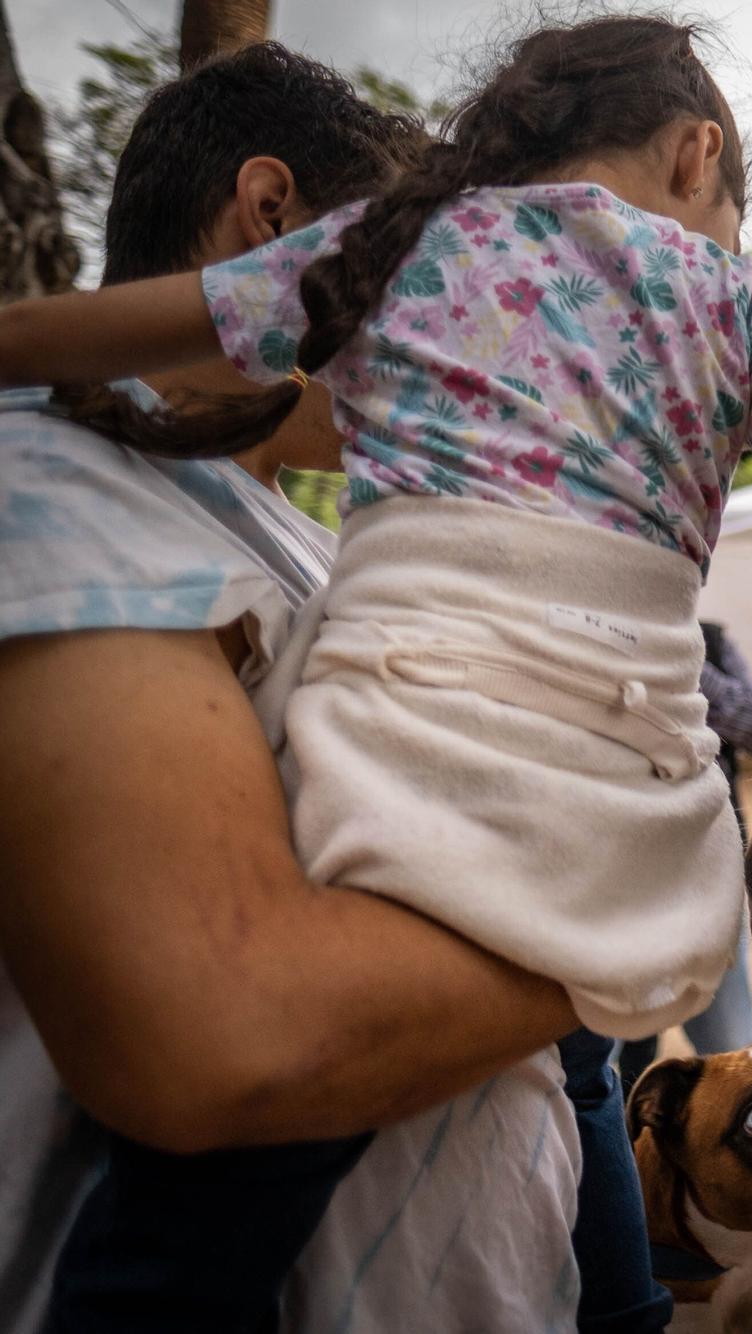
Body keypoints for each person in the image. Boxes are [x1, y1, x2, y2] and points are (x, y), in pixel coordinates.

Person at [0, 16, 752, 1330]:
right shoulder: (61, 498)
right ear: (695, 149)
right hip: (614, 817)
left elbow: (82, 333)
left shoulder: (392, 276)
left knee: (213, 1237)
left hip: (481, 1214)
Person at [0, 43, 601, 1334]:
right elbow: (224, 1039)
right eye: (418, 278)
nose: (453, 336)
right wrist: (626, 924)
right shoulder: (44, 493)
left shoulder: (304, 539)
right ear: (271, 216)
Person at [617, 619, 752, 1093]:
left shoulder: (710, 641)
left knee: (733, 1052)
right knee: (608, 1068)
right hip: (614, 883)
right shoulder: (586, 636)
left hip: (707, 877)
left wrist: (685, 667)